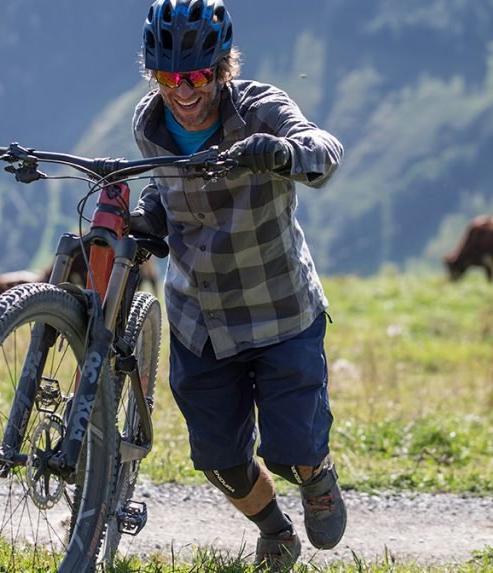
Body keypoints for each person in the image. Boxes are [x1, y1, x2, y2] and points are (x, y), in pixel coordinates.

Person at [129, 0, 347, 569]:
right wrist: (151, 215)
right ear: (154, 73)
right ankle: (274, 531)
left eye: (199, 74)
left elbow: (325, 153)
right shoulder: (148, 124)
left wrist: (283, 153)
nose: (184, 89)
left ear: (223, 68)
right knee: (221, 459)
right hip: (199, 320)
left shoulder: (262, 109)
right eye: (170, 76)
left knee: (292, 448)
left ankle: (315, 475)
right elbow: (164, 190)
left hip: (277, 308)